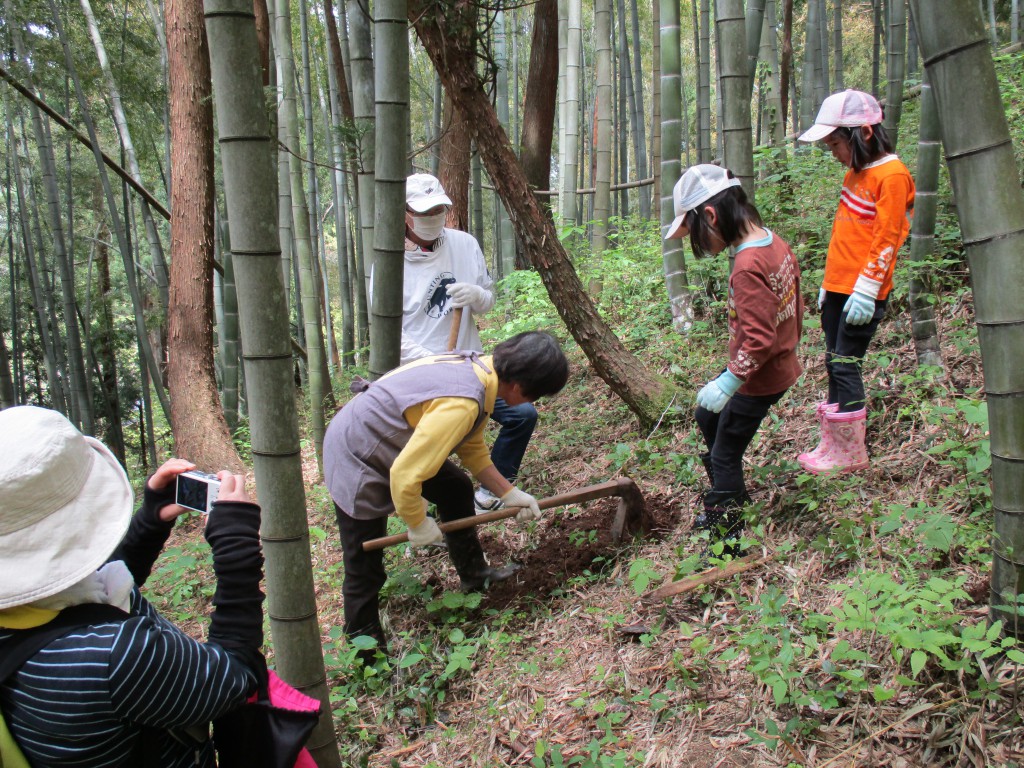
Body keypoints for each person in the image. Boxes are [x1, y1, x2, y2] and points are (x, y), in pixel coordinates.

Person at [0, 406, 264, 767]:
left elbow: (89, 596)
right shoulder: (118, 656)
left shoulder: (34, 616)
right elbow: (233, 678)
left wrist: (149, 523)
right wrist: (237, 550)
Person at [324, 331, 569, 655]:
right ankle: (366, 655)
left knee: (456, 488)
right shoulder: (463, 401)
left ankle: (474, 574)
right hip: (357, 451)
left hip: (395, 439)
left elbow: (471, 447)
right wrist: (417, 522)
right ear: (521, 388)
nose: (531, 404)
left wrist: (509, 493)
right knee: (364, 566)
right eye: (535, 397)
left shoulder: (481, 373)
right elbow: (405, 475)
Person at [665, 165, 803, 554]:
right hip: (772, 366)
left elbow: (759, 341)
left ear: (710, 215)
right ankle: (731, 494)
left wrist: (729, 381)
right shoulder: (774, 243)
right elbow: (792, 308)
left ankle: (728, 537)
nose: (699, 244)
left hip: (760, 377)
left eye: (695, 233)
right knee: (707, 417)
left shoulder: (746, 267)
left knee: (724, 452)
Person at [400, 172, 539, 512]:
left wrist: (477, 294)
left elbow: (487, 300)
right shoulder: (389, 261)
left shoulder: (464, 244)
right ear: (405, 213)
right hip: (419, 376)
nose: (433, 218)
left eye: (438, 211)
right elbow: (391, 333)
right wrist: (430, 362)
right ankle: (424, 513)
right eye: (424, 212)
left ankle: (491, 493)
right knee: (435, 447)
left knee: (522, 414)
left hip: (470, 365)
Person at [796, 89, 915, 474]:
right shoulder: (855, 173)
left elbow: (887, 239)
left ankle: (851, 452)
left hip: (862, 292)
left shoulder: (892, 176)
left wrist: (867, 289)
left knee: (846, 363)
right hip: (838, 287)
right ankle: (832, 441)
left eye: (835, 143)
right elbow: (846, 235)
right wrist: (829, 284)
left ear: (864, 133)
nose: (834, 153)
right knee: (834, 361)